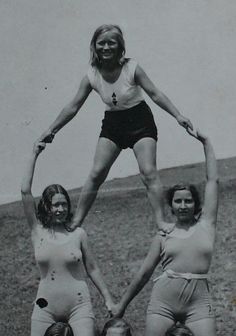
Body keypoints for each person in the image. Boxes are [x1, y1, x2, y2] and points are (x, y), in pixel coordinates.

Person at [39, 24, 193, 230]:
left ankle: (162, 222)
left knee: (148, 171)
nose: (106, 47)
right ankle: (75, 222)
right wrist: (52, 129)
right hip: (114, 125)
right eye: (101, 43)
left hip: (140, 121)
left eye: (111, 42)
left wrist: (178, 115)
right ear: (94, 46)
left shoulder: (132, 68)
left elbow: (155, 93)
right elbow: (73, 106)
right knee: (96, 172)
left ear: (120, 46)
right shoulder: (92, 75)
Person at [111, 128, 219, 336]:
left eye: (188, 200)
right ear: (171, 205)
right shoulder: (164, 234)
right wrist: (121, 305)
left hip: (199, 303)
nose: (183, 205)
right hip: (163, 304)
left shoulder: (206, 225)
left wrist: (206, 143)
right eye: (178, 201)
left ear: (196, 204)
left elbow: (213, 180)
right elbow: (144, 274)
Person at [21, 140, 114, 336]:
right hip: (45, 305)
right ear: (46, 206)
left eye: (64, 204)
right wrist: (34, 154)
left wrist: (108, 298)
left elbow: (93, 268)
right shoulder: (37, 231)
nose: (61, 209)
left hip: (78, 305)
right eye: (55, 205)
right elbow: (25, 191)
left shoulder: (78, 233)